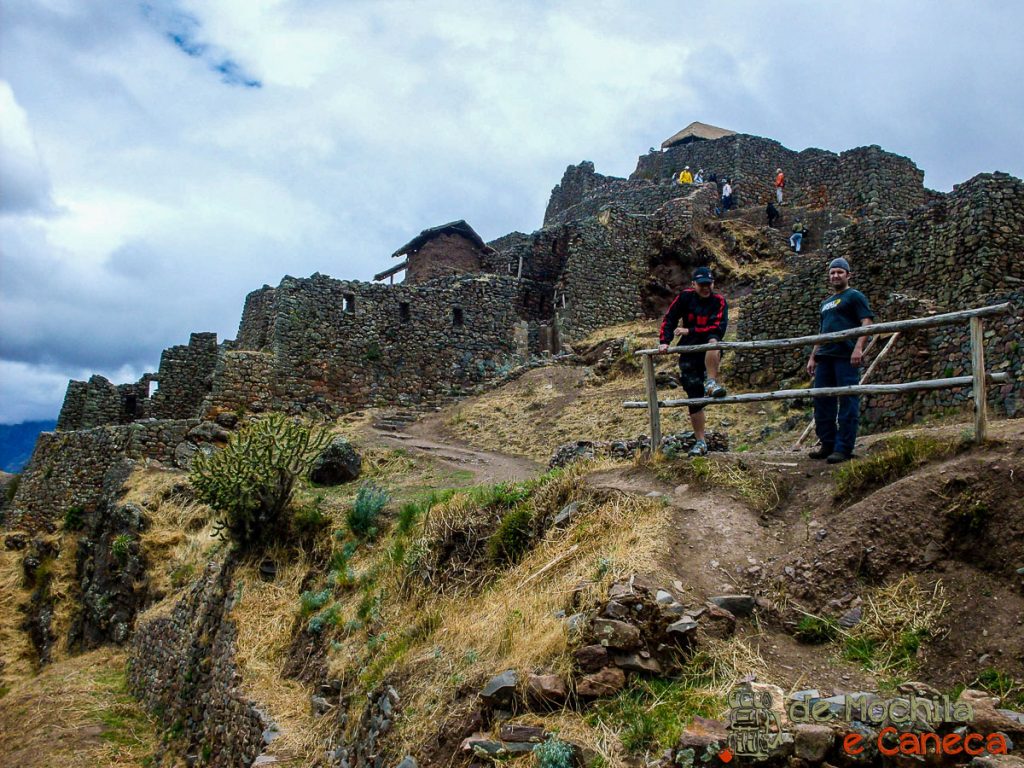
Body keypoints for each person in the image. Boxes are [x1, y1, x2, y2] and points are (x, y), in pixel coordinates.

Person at [806, 258, 874, 464]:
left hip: (845, 355)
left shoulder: (854, 296)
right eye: (832, 273)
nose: (835, 276)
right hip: (825, 356)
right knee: (822, 401)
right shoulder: (825, 303)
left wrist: (858, 347)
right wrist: (812, 356)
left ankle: (843, 448)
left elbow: (867, 322)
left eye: (840, 272)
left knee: (847, 399)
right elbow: (822, 331)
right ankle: (827, 444)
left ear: (848, 275)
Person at [658, 267, 729, 456]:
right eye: (702, 284)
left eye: (709, 284)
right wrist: (664, 341)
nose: (706, 288)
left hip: (708, 348)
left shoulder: (719, 301)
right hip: (688, 352)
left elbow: (717, 328)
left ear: (713, 283)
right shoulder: (685, 298)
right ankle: (700, 442)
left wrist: (690, 331)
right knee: (694, 398)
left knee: (713, 342)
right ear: (693, 285)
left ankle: (711, 382)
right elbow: (670, 318)